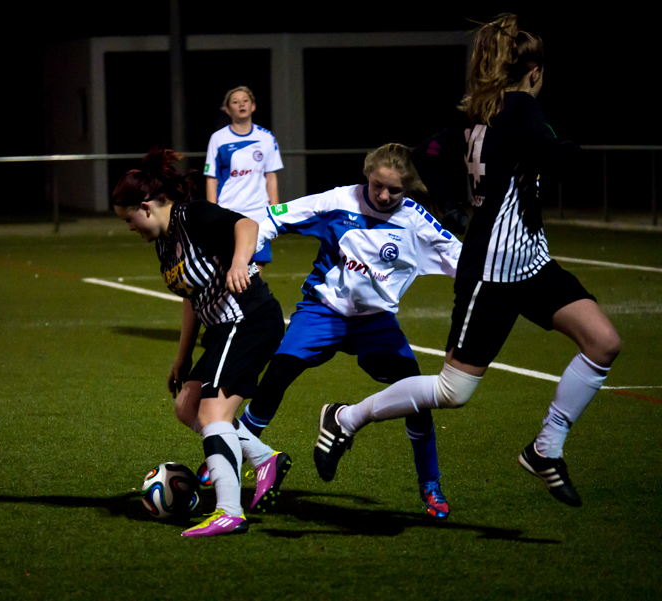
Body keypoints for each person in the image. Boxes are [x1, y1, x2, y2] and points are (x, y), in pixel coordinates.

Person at [313, 14, 621, 508]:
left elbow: (426, 153)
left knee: (603, 342)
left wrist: (458, 207)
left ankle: (547, 448)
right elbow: (553, 159)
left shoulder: (480, 113)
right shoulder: (520, 108)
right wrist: (569, 148)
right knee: (453, 389)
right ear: (535, 71)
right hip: (493, 272)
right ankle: (344, 418)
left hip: (531, 261)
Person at [238, 143, 461, 518]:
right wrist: (246, 257)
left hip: (375, 323)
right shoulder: (338, 201)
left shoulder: (416, 221)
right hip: (323, 311)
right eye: (377, 186)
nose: (385, 195)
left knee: (415, 394)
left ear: (408, 189)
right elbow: (269, 218)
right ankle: (230, 455)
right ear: (366, 176)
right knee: (275, 377)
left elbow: (463, 261)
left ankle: (431, 485)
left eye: (395, 190)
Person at [111, 148, 289, 537]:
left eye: (129, 220)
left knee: (213, 416)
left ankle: (229, 510)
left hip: (248, 319)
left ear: (145, 206)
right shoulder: (165, 242)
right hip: (223, 328)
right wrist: (182, 355)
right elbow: (191, 297)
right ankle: (264, 460)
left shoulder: (190, 215)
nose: (130, 229)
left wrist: (241, 262)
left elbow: (246, 226)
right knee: (187, 405)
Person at [204, 86, 283, 275]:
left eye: (245, 101)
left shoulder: (266, 137)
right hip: (229, 213)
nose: (241, 104)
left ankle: (252, 305)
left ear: (253, 106)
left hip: (258, 215)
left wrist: (276, 213)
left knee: (256, 274)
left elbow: (270, 177)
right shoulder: (218, 139)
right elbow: (211, 179)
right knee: (228, 270)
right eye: (235, 101)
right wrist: (211, 213)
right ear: (228, 110)